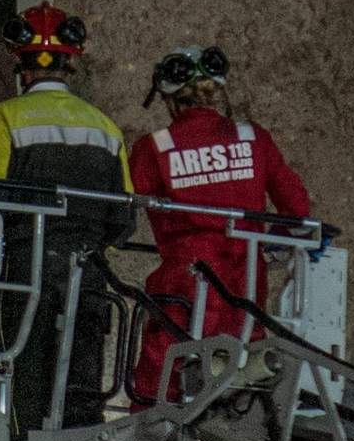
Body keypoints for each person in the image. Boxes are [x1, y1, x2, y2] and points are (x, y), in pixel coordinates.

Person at [0, 1, 133, 436]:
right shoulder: (106, 128)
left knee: (23, 395)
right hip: (89, 280)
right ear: (70, 66)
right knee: (81, 397)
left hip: (23, 277)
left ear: (22, 68)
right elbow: (123, 220)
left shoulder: (4, 118)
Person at [130, 44, 310, 403]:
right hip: (245, 281)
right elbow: (298, 210)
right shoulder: (252, 137)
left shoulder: (155, 148)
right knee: (239, 376)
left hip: (185, 279)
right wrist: (266, 241)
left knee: (161, 376)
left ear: (168, 99)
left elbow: (122, 208)